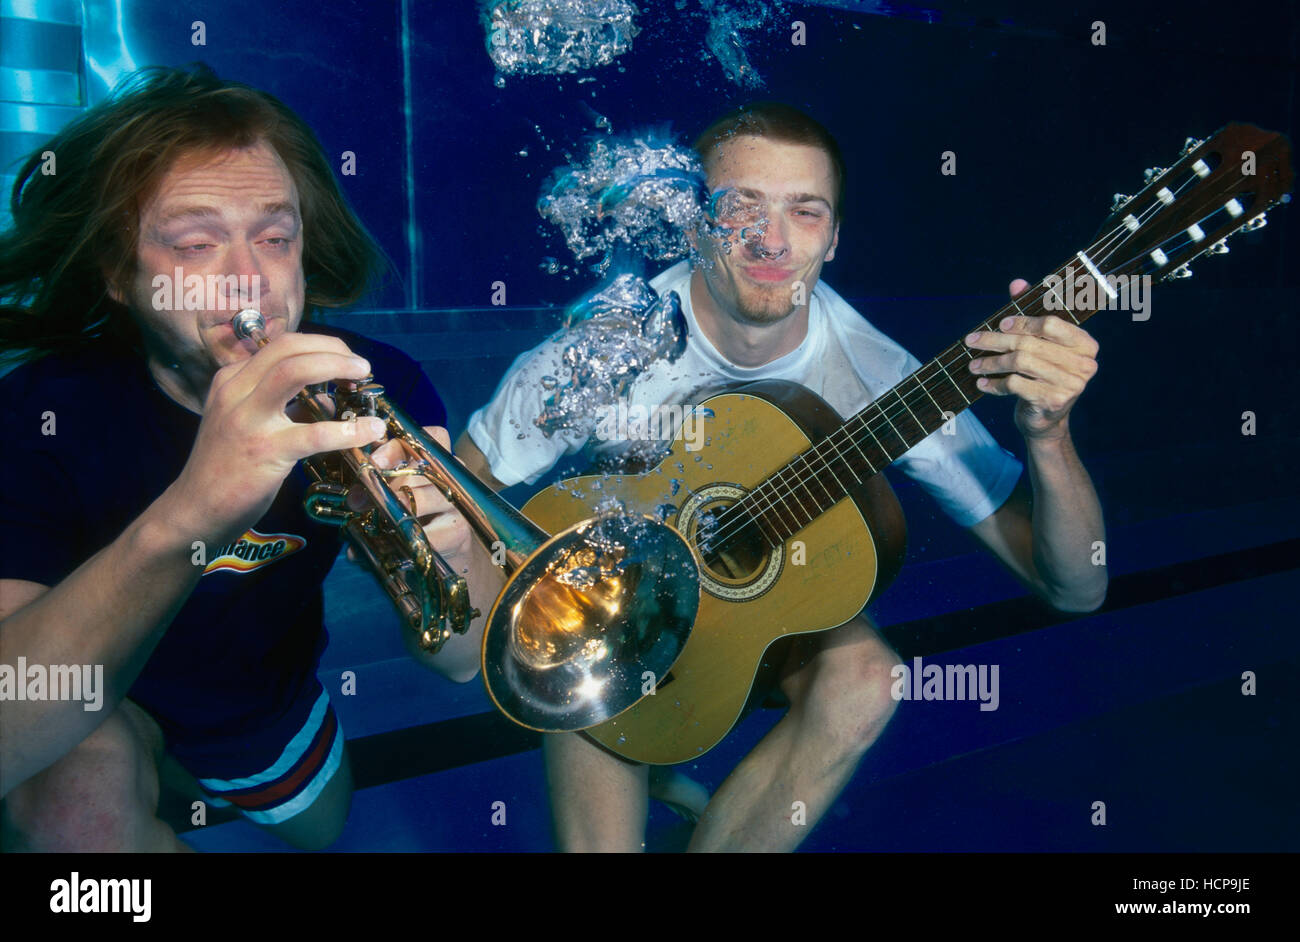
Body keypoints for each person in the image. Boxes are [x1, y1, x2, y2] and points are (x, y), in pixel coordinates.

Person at [456, 102, 1108, 851]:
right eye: (741, 207)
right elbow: (458, 494)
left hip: (762, 620)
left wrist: (1049, 434)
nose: (771, 240)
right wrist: (549, 626)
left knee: (866, 679)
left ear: (834, 237)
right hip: (614, 609)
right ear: (693, 223)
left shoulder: (875, 375)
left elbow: (1077, 588)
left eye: (805, 211)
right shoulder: (609, 346)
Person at [0, 65, 496, 850]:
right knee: (75, 815)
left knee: (323, 831)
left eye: (275, 238)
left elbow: (463, 663)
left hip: (260, 703)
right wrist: (194, 510)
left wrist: (455, 554)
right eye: (196, 244)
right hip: (101, 698)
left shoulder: (372, 384)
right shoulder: (36, 412)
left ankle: (180, 778)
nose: (248, 283)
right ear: (117, 276)